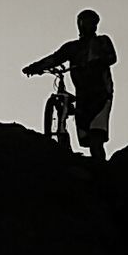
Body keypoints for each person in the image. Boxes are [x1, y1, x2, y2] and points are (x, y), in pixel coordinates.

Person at [23, 10, 117, 160]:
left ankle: (101, 169)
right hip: (83, 94)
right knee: (86, 134)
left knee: (96, 137)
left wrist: (96, 62)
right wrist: (35, 67)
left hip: (101, 93)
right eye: (86, 22)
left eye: (92, 22)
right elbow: (55, 58)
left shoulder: (102, 41)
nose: (89, 26)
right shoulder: (72, 47)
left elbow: (112, 58)